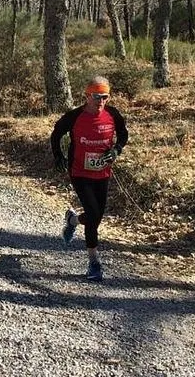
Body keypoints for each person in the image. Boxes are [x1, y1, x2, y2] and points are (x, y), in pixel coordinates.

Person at [50, 76, 129, 282]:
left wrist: (117, 150)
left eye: (105, 97)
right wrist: (59, 156)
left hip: (102, 172)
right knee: (94, 215)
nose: (101, 101)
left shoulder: (113, 115)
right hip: (79, 172)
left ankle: (73, 220)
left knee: (96, 217)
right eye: (96, 97)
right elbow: (56, 134)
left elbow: (123, 135)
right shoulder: (74, 116)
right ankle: (94, 263)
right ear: (87, 96)